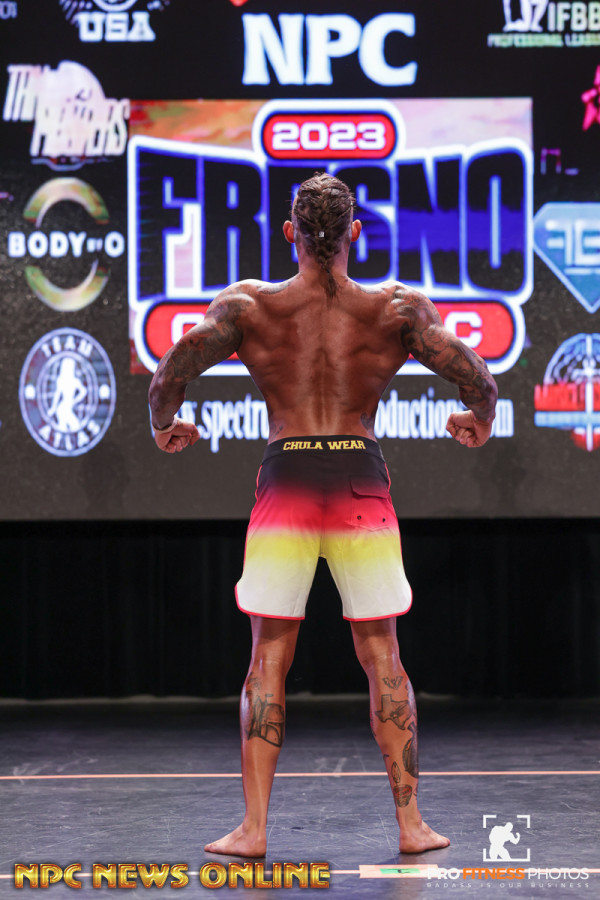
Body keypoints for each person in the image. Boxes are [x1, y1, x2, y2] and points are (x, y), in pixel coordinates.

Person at [148, 173, 498, 857]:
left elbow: (169, 376)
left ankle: (253, 830)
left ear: (290, 234)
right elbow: (479, 380)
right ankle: (412, 827)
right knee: (382, 654)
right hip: (360, 482)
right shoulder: (396, 309)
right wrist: (476, 421)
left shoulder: (249, 306)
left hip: (287, 480)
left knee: (269, 656)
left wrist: (165, 427)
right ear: (354, 234)